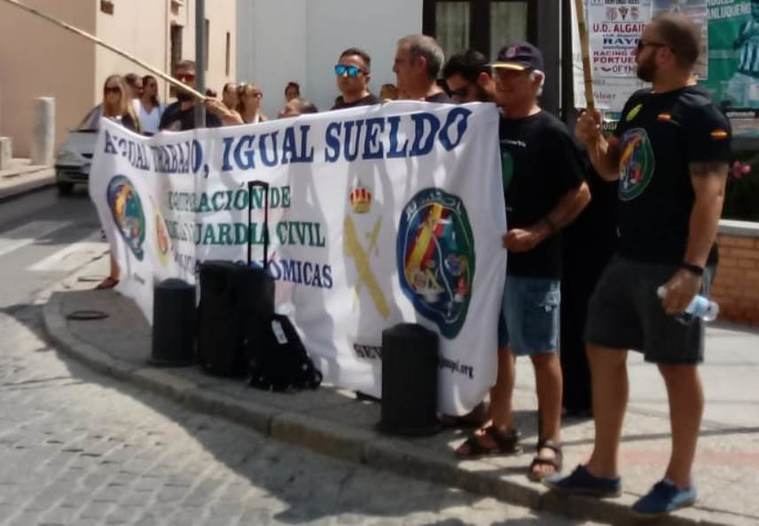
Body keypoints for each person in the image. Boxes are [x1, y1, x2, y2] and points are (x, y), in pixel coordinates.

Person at [545, 13, 731, 517]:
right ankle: (603, 468)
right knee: (600, 345)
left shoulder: (701, 115)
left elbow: (711, 196)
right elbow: (613, 171)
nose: (635, 53)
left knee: (676, 365)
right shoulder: (639, 104)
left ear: (666, 54)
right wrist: (593, 141)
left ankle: (680, 478)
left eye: (642, 46)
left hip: (675, 264)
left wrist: (692, 269)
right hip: (627, 257)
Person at [454, 43, 590, 485]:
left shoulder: (551, 132)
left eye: (516, 73)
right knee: (498, 349)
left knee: (542, 352)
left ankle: (549, 438)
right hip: (490, 264)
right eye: (500, 72)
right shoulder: (483, 125)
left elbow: (581, 193)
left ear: (537, 81)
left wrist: (539, 232)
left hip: (534, 264)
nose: (505, 80)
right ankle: (502, 425)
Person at [95, 74, 141, 290]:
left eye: (115, 90)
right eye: (108, 90)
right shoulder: (103, 117)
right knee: (111, 227)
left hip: (125, 182)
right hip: (108, 179)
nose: (111, 94)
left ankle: (127, 272)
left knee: (128, 227)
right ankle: (115, 273)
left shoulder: (129, 118)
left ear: (122, 92)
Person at [158, 60, 221, 131]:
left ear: (198, 80)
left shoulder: (208, 112)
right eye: (179, 77)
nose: (183, 81)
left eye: (189, 77)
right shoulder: (169, 111)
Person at [393, 34, 451, 102]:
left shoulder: (447, 110)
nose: (394, 69)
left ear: (420, 64)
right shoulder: (396, 109)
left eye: (399, 62)